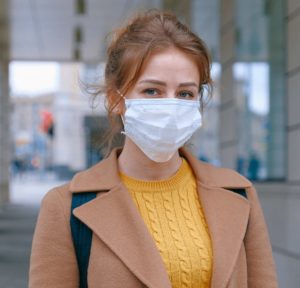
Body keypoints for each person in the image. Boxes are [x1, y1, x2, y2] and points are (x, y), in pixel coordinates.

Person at [29, 10, 278, 288]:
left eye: (185, 93)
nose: (170, 106)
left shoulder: (238, 194)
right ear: (116, 99)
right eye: (152, 91)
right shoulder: (66, 207)